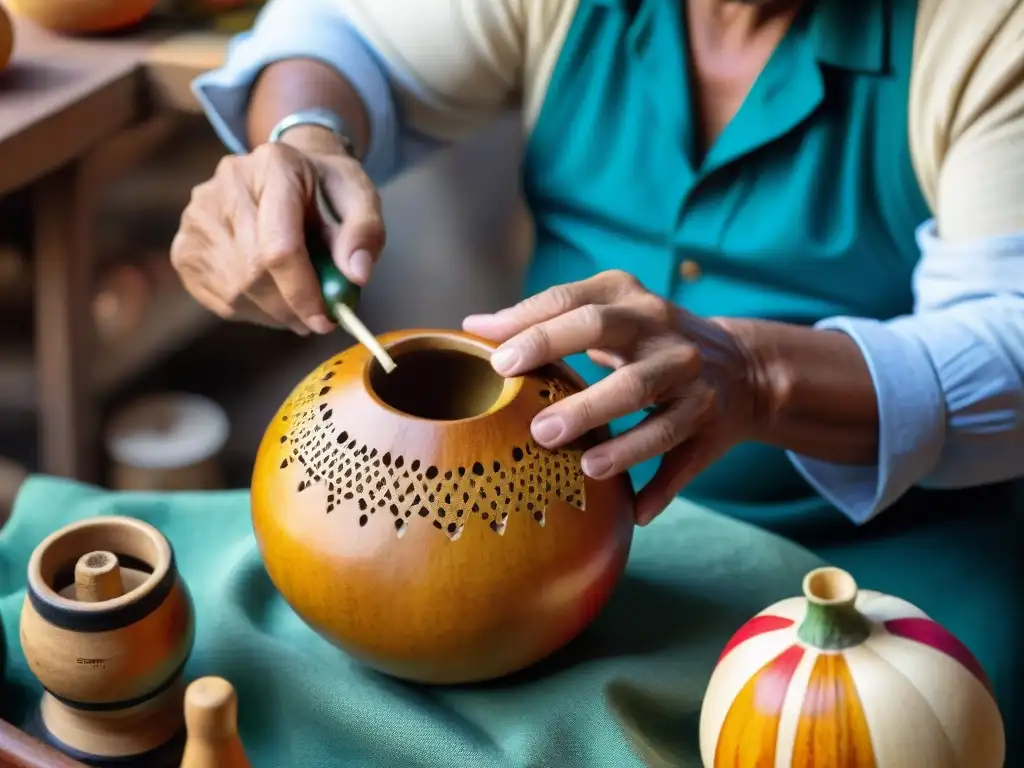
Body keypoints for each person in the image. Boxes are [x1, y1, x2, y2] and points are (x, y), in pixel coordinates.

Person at [173, 0, 1024, 756]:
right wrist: (301, 142)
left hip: (876, 559)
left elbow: (1013, 336)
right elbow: (337, 31)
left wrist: (760, 375)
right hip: (526, 549)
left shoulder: (982, 27)